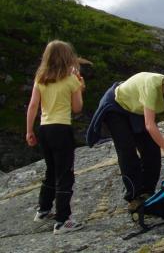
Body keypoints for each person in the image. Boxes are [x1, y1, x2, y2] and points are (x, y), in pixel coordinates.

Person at [86, 71, 164, 212]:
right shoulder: (152, 87)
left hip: (136, 110)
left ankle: (148, 193)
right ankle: (134, 197)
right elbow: (149, 124)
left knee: (152, 150)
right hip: (116, 106)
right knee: (127, 151)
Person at [26, 40, 85, 234]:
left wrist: (29, 131)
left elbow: (33, 105)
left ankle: (43, 209)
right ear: (68, 58)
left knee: (51, 170)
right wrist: (80, 88)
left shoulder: (40, 78)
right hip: (62, 128)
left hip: (44, 129)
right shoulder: (71, 80)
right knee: (64, 173)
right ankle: (62, 221)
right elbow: (77, 108)